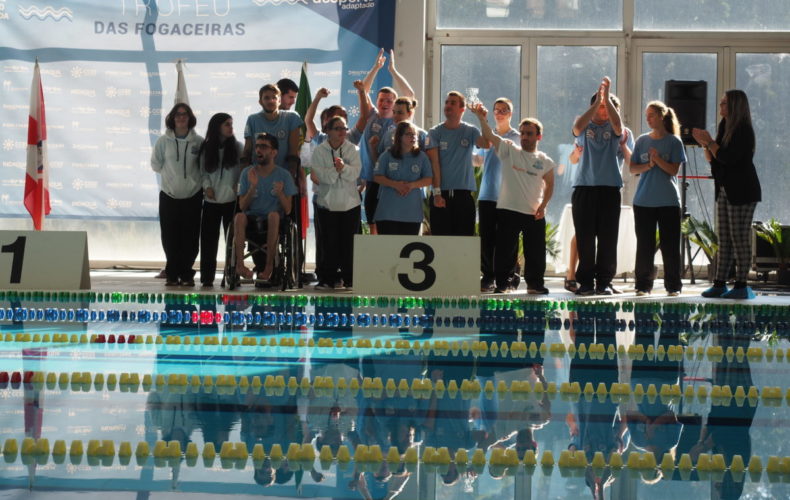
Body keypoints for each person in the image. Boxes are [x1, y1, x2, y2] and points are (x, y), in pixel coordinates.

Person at [470, 104, 555, 294]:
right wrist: (481, 118)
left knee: (535, 251)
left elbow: (550, 185)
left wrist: (543, 205)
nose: (525, 137)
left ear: (538, 137)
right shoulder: (510, 150)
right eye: (523, 133)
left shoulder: (545, 161)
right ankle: (503, 284)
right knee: (504, 251)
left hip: (533, 212)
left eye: (529, 133)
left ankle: (535, 284)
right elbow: (491, 137)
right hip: (508, 210)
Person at [692, 89, 762, 299]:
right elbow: (715, 159)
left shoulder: (743, 130)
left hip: (742, 190)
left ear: (734, 106)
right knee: (724, 238)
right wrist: (706, 143)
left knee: (739, 237)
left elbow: (728, 157)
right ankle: (720, 282)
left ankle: (741, 283)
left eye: (724, 103)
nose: (720, 106)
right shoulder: (725, 126)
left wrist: (710, 142)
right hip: (725, 188)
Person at [571, 77, 632, 296]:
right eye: (600, 105)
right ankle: (585, 282)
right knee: (585, 237)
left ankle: (604, 282)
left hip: (609, 189)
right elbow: (576, 129)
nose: (604, 110)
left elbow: (617, 126)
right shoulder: (584, 123)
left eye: (608, 107)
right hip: (584, 188)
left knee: (607, 239)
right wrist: (598, 102)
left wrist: (607, 98)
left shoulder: (620, 129)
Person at [629, 101, 687, 297]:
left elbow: (673, 170)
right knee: (644, 246)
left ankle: (673, 286)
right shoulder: (641, 141)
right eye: (646, 115)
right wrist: (649, 164)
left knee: (670, 246)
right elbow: (633, 168)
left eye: (651, 115)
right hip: (644, 201)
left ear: (662, 116)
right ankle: (643, 286)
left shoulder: (674, 142)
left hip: (668, 202)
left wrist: (658, 159)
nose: (648, 118)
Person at [356, 48, 415, 234]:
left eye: (390, 101)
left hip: (393, 178)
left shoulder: (400, 121)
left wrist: (393, 71)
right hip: (373, 177)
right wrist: (376, 68)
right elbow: (363, 90)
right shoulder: (371, 115)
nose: (385, 104)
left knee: (388, 222)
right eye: (382, 100)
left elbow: (411, 96)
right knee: (373, 220)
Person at [150, 103, 203, 287]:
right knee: (170, 236)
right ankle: (172, 273)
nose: (181, 118)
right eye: (178, 115)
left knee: (190, 236)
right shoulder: (163, 142)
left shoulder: (199, 142)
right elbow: (156, 164)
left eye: (185, 114)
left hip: (193, 196)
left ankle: (187, 273)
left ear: (190, 118)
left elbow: (203, 167)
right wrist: (172, 177)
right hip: (169, 196)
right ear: (172, 118)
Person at [234, 133, 297, 282]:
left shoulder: (284, 175)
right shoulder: (247, 173)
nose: (258, 150)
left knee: (274, 216)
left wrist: (280, 193)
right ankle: (240, 265)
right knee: (239, 217)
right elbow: (242, 206)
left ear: (274, 152)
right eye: (257, 146)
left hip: (275, 220)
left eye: (263, 146)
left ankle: (269, 266)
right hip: (252, 218)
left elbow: (288, 210)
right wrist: (252, 187)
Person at [310, 116, 362, 290]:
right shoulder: (319, 151)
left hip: (350, 203)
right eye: (338, 128)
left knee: (349, 243)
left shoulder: (353, 149)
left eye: (344, 128)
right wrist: (336, 170)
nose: (342, 132)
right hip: (327, 203)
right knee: (328, 242)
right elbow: (321, 177)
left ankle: (350, 278)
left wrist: (344, 168)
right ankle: (327, 279)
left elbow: (355, 173)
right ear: (328, 131)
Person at [427, 92, 488, 236]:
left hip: (464, 197)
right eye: (447, 102)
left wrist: (482, 119)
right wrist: (436, 193)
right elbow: (434, 163)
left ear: (462, 109)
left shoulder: (471, 131)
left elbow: (486, 144)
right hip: (440, 196)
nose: (448, 105)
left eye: (453, 103)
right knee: (441, 243)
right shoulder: (435, 132)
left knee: (464, 241)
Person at [478, 98, 520, 293]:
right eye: (497, 110)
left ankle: (508, 278)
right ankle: (488, 277)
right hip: (487, 194)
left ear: (510, 114)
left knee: (507, 240)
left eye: (504, 110)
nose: (500, 113)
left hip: (509, 196)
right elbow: (478, 159)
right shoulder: (486, 136)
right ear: (493, 113)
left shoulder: (518, 137)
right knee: (486, 239)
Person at [198, 113, 242, 287]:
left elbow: (242, 171)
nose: (231, 127)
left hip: (231, 201)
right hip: (212, 202)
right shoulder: (206, 148)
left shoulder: (237, 147)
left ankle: (232, 274)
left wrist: (238, 186)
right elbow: (202, 172)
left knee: (232, 241)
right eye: (227, 124)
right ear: (217, 127)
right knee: (208, 241)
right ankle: (207, 277)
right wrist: (207, 186)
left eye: (231, 124)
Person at [372, 121, 433, 235]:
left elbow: (429, 179)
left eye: (414, 134)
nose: (413, 137)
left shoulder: (421, 157)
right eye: (408, 134)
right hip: (388, 212)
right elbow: (377, 177)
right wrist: (395, 184)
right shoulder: (387, 155)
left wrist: (411, 185)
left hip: (412, 213)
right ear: (399, 137)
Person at [242, 84, 304, 189]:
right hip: (257, 180)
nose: (271, 101)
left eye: (274, 97)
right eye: (266, 98)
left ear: (279, 101)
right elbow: (247, 151)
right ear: (260, 102)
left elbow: (293, 153)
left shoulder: (292, 118)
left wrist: (290, 178)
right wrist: (244, 178)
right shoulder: (252, 119)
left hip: (282, 179)